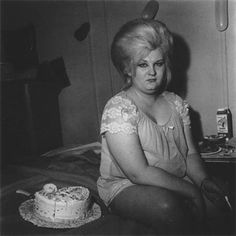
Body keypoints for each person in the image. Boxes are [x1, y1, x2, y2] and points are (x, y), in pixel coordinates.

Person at [97, 18, 231, 234]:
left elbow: (189, 155)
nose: (152, 72)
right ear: (127, 68)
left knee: (220, 204)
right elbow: (138, 173)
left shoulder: (176, 103)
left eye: (158, 64)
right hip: (128, 185)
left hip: (176, 179)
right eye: (142, 64)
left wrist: (203, 181)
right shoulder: (119, 108)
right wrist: (191, 191)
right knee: (168, 207)